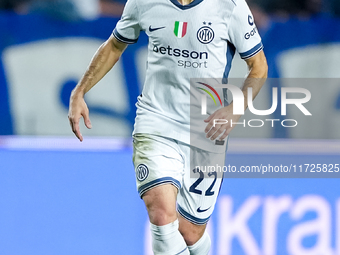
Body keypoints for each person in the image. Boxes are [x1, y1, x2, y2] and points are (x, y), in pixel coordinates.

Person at [68, 0, 268, 253]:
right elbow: (115, 45)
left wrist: (235, 110)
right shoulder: (143, 2)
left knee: (190, 232)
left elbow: (259, 66)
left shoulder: (230, 6)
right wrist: (80, 91)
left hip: (206, 131)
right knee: (161, 215)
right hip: (156, 121)